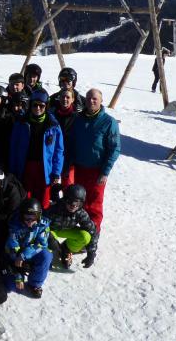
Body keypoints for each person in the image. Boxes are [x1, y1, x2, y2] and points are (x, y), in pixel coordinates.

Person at [66, 89, 120, 232]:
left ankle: (93, 232)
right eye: (89, 98)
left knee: (94, 203)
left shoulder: (108, 122)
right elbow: (71, 143)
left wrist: (105, 171)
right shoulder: (78, 119)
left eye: (95, 98)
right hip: (79, 168)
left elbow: (114, 149)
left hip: (97, 170)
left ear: (101, 101)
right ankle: (80, 232)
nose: (91, 101)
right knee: (79, 200)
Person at [8, 89, 64, 209]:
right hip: (26, 166)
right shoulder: (22, 123)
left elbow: (59, 151)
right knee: (24, 197)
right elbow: (14, 148)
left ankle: (42, 218)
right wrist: (13, 170)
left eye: (41, 106)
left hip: (45, 168)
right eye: (35, 105)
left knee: (43, 199)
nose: (38, 108)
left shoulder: (53, 125)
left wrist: (56, 172)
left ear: (46, 106)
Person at [4, 197, 52, 298]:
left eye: (33, 218)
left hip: (30, 253)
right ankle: (18, 274)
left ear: (38, 216)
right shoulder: (15, 225)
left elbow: (42, 244)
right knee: (11, 286)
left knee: (46, 255)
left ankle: (35, 284)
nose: (30, 221)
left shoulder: (43, 225)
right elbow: (12, 250)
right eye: (27, 218)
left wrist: (24, 255)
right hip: (16, 256)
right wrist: (19, 274)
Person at [45, 184, 98, 269]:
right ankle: (47, 255)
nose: (73, 206)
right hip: (52, 230)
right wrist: (50, 237)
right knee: (45, 243)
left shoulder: (80, 213)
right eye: (70, 201)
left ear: (81, 203)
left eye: (77, 203)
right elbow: (41, 225)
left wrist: (91, 253)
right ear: (65, 199)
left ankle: (66, 249)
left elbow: (93, 231)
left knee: (85, 236)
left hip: (67, 230)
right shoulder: (55, 208)